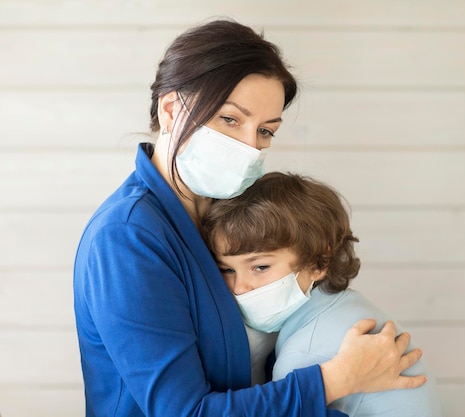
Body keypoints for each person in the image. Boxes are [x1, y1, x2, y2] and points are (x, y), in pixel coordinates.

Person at [73, 19, 426, 417]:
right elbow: (186, 412)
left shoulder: (226, 215)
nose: (249, 146)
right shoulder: (128, 238)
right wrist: (337, 379)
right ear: (171, 110)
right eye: (230, 120)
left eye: (265, 131)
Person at [202, 171, 444, 417]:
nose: (240, 287)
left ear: (318, 262)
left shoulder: (305, 355)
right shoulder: (344, 307)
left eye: (260, 267)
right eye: (228, 270)